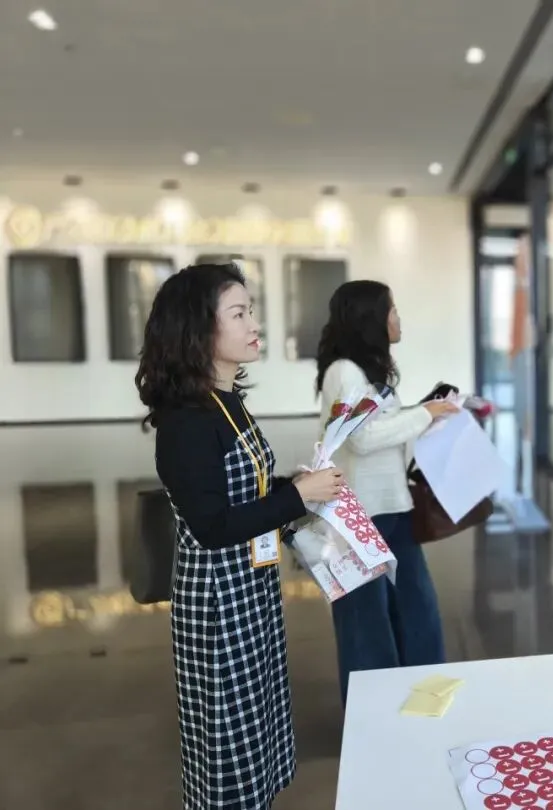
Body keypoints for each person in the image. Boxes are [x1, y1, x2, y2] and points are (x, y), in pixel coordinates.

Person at [136, 263, 343, 810]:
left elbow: (243, 493)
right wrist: (296, 498)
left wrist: (294, 487)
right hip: (218, 604)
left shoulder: (225, 401)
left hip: (251, 590)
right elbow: (212, 527)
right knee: (225, 741)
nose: (255, 324)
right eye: (239, 313)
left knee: (256, 728)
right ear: (198, 330)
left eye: (251, 311)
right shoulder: (186, 421)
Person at [315, 279, 457, 705]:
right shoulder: (344, 372)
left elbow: (379, 431)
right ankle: (373, 715)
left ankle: (423, 701)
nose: (398, 318)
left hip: (391, 509)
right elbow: (360, 438)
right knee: (366, 626)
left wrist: (428, 415)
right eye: (392, 309)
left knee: (416, 613)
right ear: (371, 318)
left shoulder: (368, 373)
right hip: (357, 518)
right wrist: (423, 414)